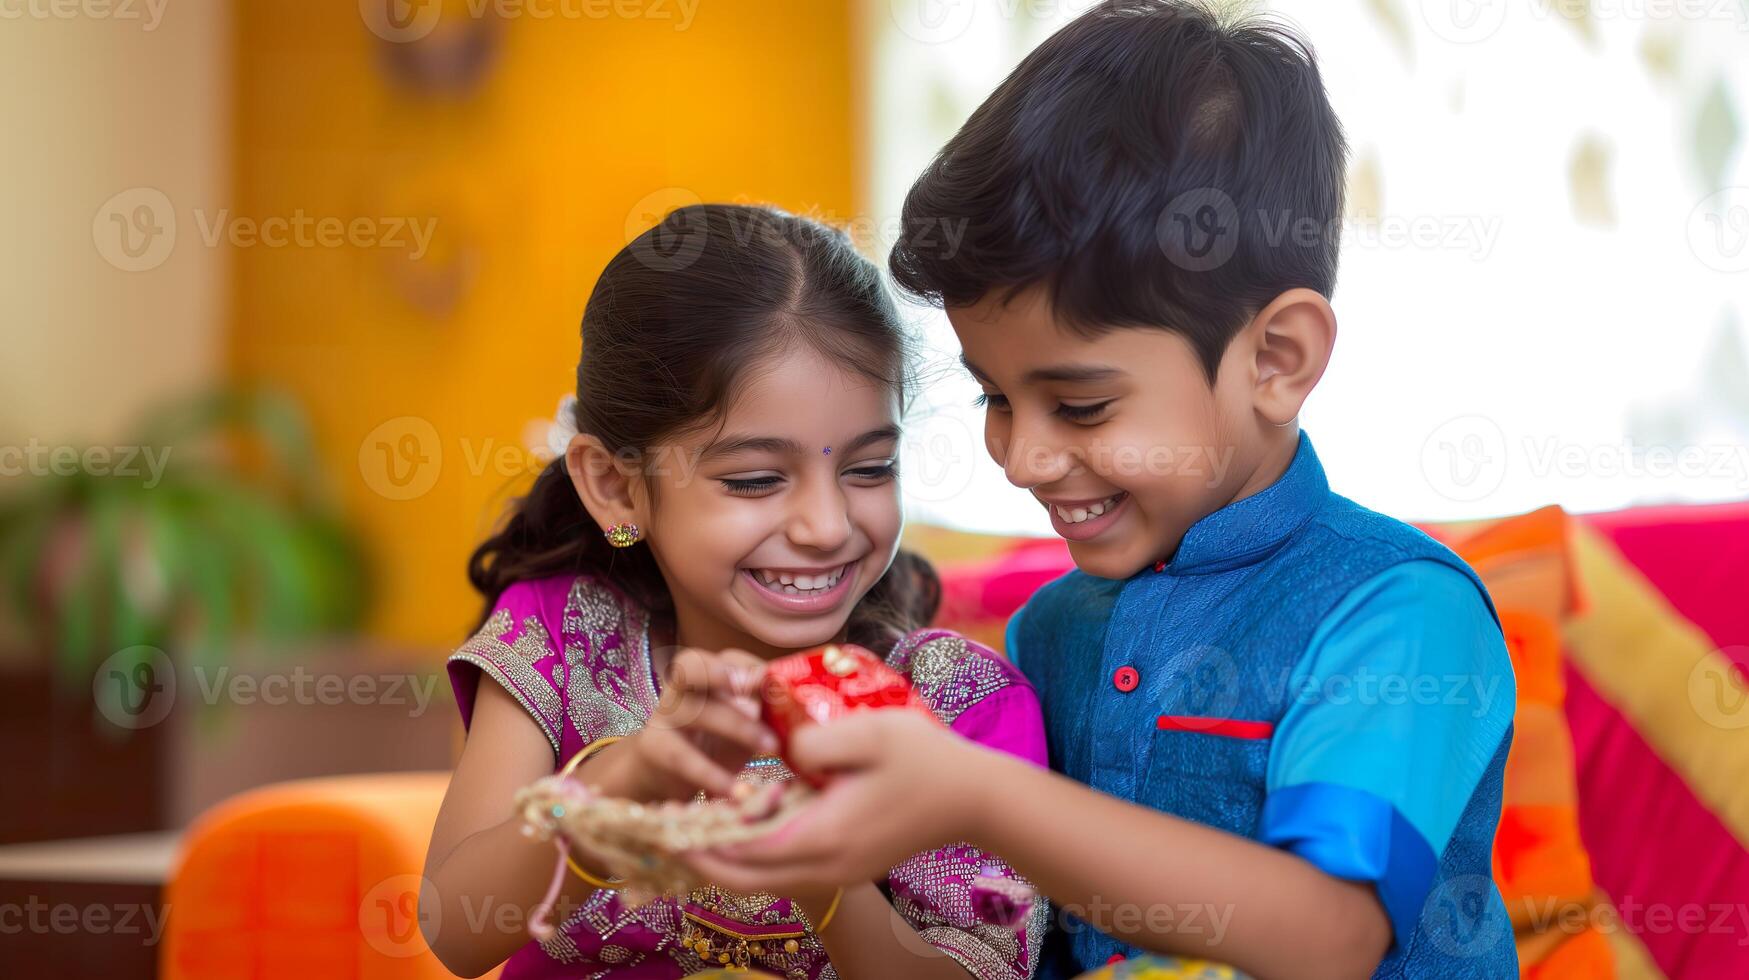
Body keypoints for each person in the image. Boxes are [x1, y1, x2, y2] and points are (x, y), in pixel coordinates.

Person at [682, 5, 1518, 979]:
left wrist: (981, 794)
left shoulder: (1402, 612)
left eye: (1079, 405)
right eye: (996, 395)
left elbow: (1328, 935)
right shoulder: (1052, 633)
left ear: (1277, 358)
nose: (1022, 456)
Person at [422, 204, 1049, 980]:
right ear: (615, 486)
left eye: (868, 469)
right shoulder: (563, 635)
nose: (825, 526)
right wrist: (627, 783)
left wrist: (824, 874)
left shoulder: (958, 703)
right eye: (754, 479)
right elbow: (454, 928)